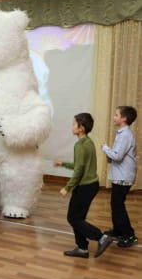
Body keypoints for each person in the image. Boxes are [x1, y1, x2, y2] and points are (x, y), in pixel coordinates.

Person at [53, 113, 112, 258]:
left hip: (84, 187)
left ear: (81, 128)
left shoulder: (79, 145)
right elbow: (79, 165)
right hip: (92, 185)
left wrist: (67, 187)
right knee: (78, 218)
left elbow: (79, 170)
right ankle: (82, 248)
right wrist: (63, 164)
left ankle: (101, 237)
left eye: (74, 124)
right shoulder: (89, 142)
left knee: (73, 218)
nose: (72, 127)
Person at [101, 106, 138, 247]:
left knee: (118, 206)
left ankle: (129, 235)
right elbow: (115, 154)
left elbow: (117, 156)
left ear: (124, 119)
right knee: (115, 204)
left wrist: (105, 148)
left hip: (124, 177)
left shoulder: (126, 135)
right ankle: (118, 230)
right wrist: (109, 153)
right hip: (120, 175)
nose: (114, 117)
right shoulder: (121, 133)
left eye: (116, 115)